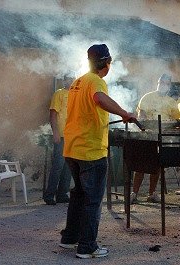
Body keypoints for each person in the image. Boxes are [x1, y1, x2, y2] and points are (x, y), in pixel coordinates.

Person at [59, 44, 136, 259]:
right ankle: (87, 247)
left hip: (72, 147)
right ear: (107, 63)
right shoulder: (96, 82)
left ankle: (69, 238)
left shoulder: (78, 81)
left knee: (78, 195)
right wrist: (124, 113)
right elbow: (99, 99)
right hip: (90, 150)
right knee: (92, 199)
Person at [130, 74, 179, 204]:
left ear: (169, 86)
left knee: (157, 165)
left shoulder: (172, 102)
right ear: (157, 83)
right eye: (161, 82)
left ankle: (151, 193)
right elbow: (141, 117)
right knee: (140, 165)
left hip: (162, 136)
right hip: (146, 136)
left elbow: (175, 121)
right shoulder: (147, 97)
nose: (163, 85)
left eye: (166, 83)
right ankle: (134, 193)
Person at [43, 75, 73, 205]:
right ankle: (49, 195)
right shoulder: (59, 94)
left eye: (73, 79)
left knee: (68, 166)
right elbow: (53, 114)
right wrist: (55, 132)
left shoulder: (75, 95)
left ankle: (62, 194)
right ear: (64, 80)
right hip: (60, 135)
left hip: (72, 136)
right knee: (58, 165)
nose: (71, 81)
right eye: (69, 79)